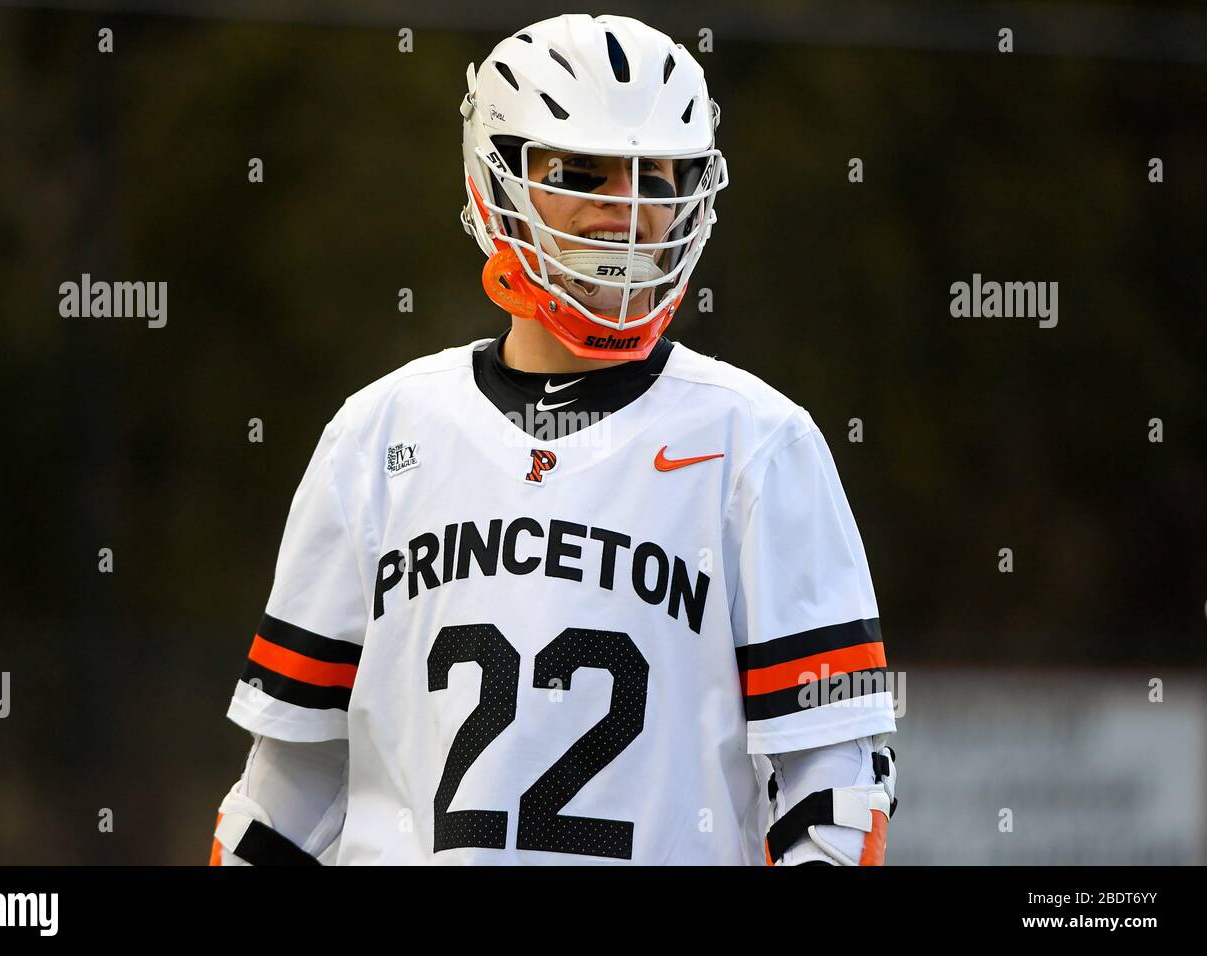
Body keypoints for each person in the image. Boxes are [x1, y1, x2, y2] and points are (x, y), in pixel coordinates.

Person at [209, 13, 896, 867]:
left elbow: (835, 785)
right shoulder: (377, 434)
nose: (630, 211)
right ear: (493, 185)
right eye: (583, 172)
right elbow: (291, 791)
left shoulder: (761, 445)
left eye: (661, 177)